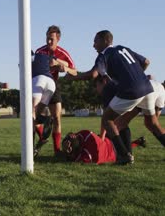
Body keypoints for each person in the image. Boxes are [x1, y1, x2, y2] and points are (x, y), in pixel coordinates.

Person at [88, 30, 163, 164]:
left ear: (105, 41)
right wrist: (136, 75)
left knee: (107, 119)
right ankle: (126, 153)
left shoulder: (103, 55)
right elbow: (146, 61)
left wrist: (74, 76)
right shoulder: (123, 48)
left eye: (96, 41)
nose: (93, 45)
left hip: (132, 90)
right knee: (151, 123)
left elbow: (94, 74)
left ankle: (124, 155)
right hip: (148, 87)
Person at [35, 25, 77, 156]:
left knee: (57, 118)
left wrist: (62, 66)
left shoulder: (63, 53)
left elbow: (74, 71)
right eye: (47, 38)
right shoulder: (39, 52)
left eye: (51, 39)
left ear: (58, 39)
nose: (48, 42)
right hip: (38, 86)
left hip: (53, 85)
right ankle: (42, 137)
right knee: (34, 115)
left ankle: (57, 150)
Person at [61, 130, 145, 164]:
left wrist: (68, 155)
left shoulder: (86, 155)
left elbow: (74, 159)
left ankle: (136, 144)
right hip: (109, 142)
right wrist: (73, 136)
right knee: (121, 145)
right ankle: (137, 142)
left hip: (113, 153)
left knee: (121, 147)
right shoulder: (86, 135)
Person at [31, 51, 56, 157]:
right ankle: (46, 120)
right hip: (51, 82)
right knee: (37, 113)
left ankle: (30, 147)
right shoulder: (45, 56)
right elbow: (54, 62)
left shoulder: (29, 57)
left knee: (30, 111)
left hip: (38, 80)